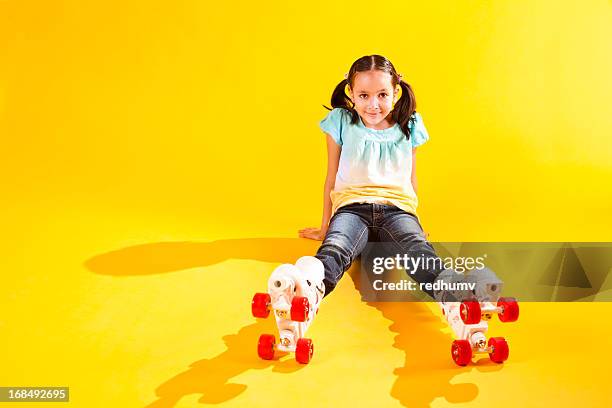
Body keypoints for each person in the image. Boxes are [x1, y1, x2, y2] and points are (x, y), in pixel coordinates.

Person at [298, 54, 448, 299]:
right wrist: (325, 226)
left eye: (382, 94)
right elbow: (331, 176)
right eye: (364, 95)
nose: (373, 104)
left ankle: (453, 294)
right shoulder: (342, 121)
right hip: (351, 210)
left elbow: (411, 177)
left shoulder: (408, 124)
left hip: (398, 210)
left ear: (395, 91)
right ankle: (307, 291)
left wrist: (415, 222)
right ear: (351, 92)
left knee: (417, 249)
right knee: (335, 247)